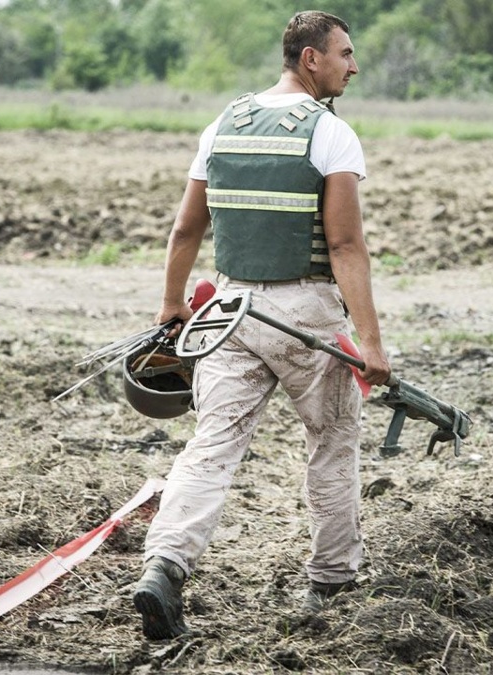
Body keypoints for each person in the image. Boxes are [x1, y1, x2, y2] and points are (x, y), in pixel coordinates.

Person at [130, 10, 391, 640]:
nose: (353, 66)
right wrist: (374, 346)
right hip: (305, 314)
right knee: (331, 442)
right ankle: (331, 580)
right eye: (345, 54)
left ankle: (164, 564)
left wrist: (172, 304)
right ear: (311, 59)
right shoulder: (331, 135)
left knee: (212, 445)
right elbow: (347, 247)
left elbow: (187, 228)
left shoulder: (224, 123)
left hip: (227, 311)